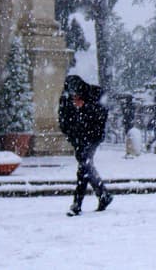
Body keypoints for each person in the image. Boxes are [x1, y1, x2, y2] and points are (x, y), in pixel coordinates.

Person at [58, 75, 113, 216]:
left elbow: (102, 115)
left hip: (93, 136)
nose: (74, 96)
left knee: (84, 166)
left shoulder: (94, 93)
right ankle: (103, 195)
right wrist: (72, 136)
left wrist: (85, 108)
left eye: (76, 93)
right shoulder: (65, 99)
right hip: (78, 139)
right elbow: (63, 121)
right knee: (86, 167)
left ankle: (77, 204)